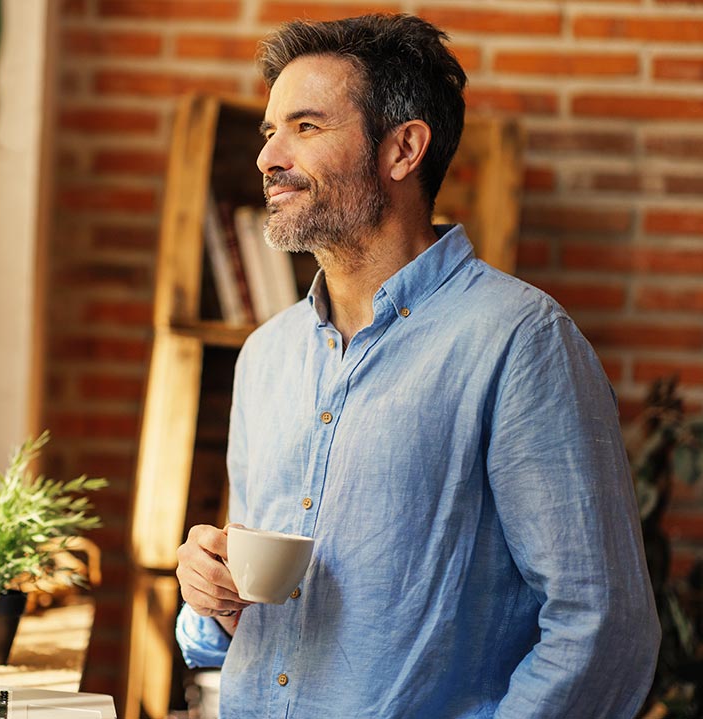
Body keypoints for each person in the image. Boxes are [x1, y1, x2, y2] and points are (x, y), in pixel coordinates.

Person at [174, 13, 660, 719]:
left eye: (305, 128)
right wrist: (210, 594)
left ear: (403, 149)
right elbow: (265, 618)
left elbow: (604, 627)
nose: (268, 157)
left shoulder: (521, 343)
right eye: (268, 131)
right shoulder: (266, 357)